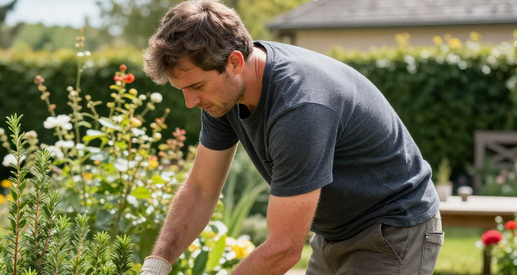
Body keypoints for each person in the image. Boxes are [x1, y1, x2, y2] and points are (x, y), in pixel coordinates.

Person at [139, 0, 443, 274]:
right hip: (333, 234)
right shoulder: (223, 93)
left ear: (234, 62)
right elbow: (201, 190)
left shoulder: (299, 107)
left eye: (195, 87)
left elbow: (284, 248)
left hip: (393, 229)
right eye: (183, 90)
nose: (190, 103)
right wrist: (157, 266)